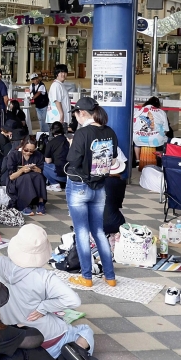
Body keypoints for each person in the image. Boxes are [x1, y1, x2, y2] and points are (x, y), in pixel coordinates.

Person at [0, 224, 100, 360]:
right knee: (84, 329)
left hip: (15, 337)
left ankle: (65, 355)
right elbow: (73, 300)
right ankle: (77, 349)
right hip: (49, 336)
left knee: (53, 338)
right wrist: (44, 307)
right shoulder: (44, 277)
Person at [65, 97, 118, 288]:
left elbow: (73, 160)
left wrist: (72, 144)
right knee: (99, 232)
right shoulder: (109, 132)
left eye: (76, 115)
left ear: (83, 113)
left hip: (79, 186)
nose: (76, 118)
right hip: (100, 187)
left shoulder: (82, 133)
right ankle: (110, 277)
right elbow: (112, 159)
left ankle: (87, 277)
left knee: (81, 232)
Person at [3, 135, 48, 215]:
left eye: (31, 151)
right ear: (22, 146)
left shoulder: (38, 155)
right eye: (26, 150)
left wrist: (36, 169)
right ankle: (25, 205)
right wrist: (22, 170)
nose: (28, 153)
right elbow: (11, 176)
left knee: (39, 176)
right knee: (26, 177)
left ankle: (40, 203)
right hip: (16, 180)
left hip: (33, 179)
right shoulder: (14, 155)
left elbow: (41, 170)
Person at [133, 97, 169, 167]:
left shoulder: (138, 110)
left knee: (136, 142)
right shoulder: (161, 112)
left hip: (139, 138)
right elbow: (166, 129)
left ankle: (137, 160)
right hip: (155, 140)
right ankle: (160, 159)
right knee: (164, 140)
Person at [43, 121, 69, 190]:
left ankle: (54, 184)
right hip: (72, 174)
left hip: (60, 174)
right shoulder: (69, 140)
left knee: (43, 164)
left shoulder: (51, 143)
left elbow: (48, 161)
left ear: (52, 131)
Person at [48, 64, 71, 130]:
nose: (63, 74)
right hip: (57, 120)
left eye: (65, 72)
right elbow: (57, 100)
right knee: (58, 139)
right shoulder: (56, 85)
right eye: (61, 72)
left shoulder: (60, 84)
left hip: (60, 120)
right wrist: (61, 114)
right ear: (56, 74)